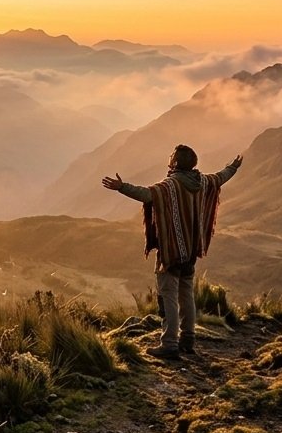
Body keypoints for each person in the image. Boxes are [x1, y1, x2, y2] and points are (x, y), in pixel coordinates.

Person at [102, 144, 242, 359]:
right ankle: (188, 339)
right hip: (192, 251)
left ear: (175, 162)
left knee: (169, 297)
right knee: (186, 295)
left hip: (172, 252)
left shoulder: (170, 185)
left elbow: (147, 195)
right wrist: (233, 166)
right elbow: (221, 177)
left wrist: (121, 187)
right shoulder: (203, 182)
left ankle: (169, 345)